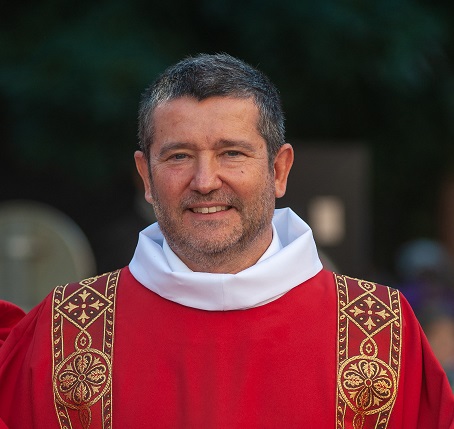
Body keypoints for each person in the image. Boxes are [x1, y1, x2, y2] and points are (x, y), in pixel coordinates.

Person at [0, 53, 452, 429]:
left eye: (231, 153)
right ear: (146, 177)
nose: (205, 181)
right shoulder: (64, 334)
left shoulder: (380, 332)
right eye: (179, 156)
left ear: (278, 170)